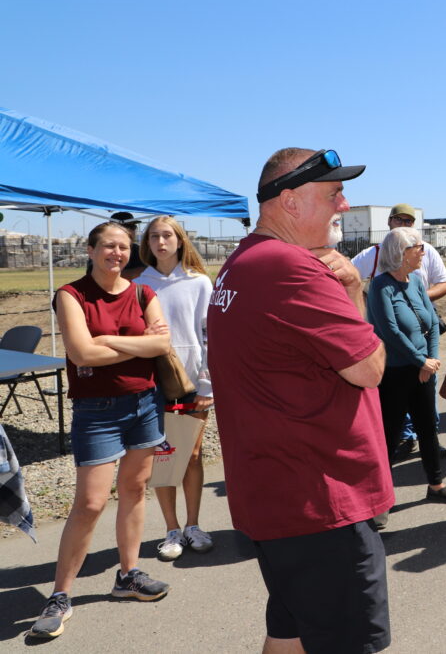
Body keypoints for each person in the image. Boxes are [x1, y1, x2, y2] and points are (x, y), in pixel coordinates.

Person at [208, 148, 393, 652]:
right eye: (333, 194)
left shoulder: (243, 262)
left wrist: (349, 287)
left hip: (279, 496)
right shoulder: (292, 268)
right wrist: (354, 293)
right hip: (320, 500)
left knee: (289, 634)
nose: (344, 205)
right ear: (289, 201)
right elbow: (369, 368)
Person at [30, 222, 172, 639]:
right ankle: (60, 595)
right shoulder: (71, 295)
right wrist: (135, 342)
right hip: (97, 411)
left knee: (135, 489)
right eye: (108, 246)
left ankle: (128, 575)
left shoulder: (143, 293)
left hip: (145, 403)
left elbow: (162, 345)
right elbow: (81, 353)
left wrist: (106, 340)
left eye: (124, 247)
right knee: (90, 503)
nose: (117, 253)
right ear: (90, 251)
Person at [135, 216, 216, 560]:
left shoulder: (199, 282)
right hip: (153, 385)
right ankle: (171, 529)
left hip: (193, 382)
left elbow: (211, 335)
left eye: (167, 235)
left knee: (192, 455)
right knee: (164, 457)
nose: (160, 242)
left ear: (180, 240)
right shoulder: (138, 284)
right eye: (154, 236)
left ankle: (193, 525)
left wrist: (207, 384)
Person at [367, 227, 446, 515]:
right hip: (395, 372)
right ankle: (379, 501)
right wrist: (421, 360)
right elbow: (389, 331)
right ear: (401, 252)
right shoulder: (380, 286)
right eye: (418, 247)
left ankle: (436, 485)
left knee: (428, 429)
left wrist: (430, 360)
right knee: (390, 435)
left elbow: (432, 322)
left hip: (423, 370)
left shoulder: (417, 281)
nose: (424, 252)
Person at [352, 202, 446, 457]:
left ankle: (430, 437)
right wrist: (368, 305)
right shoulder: (374, 254)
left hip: (421, 330)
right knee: (396, 390)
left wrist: (416, 299)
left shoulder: (425, 251)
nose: (404, 225)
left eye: (409, 221)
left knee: (426, 385)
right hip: (390, 337)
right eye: (399, 220)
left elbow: (445, 283)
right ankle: (404, 438)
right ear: (389, 222)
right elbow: (347, 277)